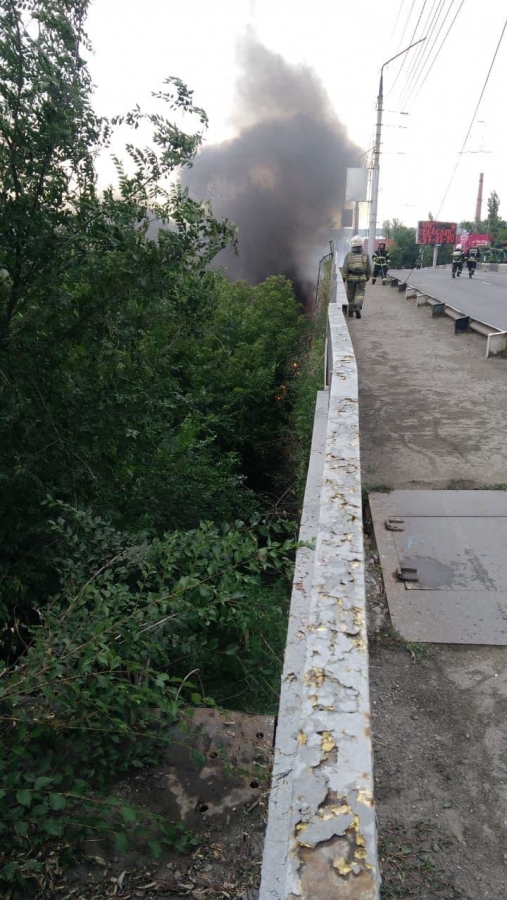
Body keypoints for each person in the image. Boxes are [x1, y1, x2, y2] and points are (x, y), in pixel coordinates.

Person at [342, 235, 372, 319]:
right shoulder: (365, 254)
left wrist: (343, 278)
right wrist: (368, 276)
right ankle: (358, 306)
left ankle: (350, 312)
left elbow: (345, 267)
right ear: (361, 244)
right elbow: (368, 267)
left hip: (351, 278)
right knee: (360, 293)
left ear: (352, 244)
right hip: (362, 278)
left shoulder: (348, 255)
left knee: (350, 294)